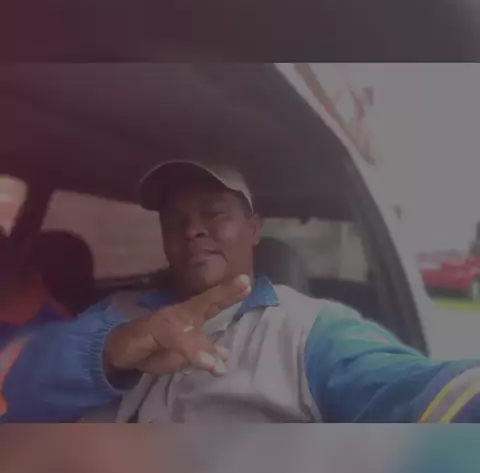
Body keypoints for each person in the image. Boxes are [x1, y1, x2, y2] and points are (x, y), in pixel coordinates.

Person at [1, 160, 480, 423]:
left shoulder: (309, 332)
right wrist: (109, 352)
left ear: (254, 229)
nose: (192, 230)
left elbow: (412, 391)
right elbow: (12, 390)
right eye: (174, 221)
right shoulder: (119, 312)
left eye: (214, 214)